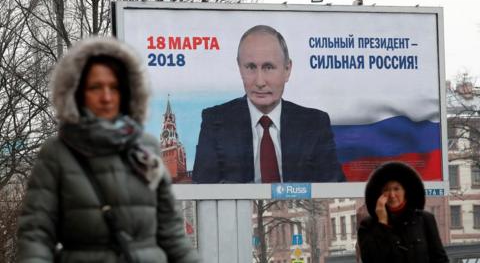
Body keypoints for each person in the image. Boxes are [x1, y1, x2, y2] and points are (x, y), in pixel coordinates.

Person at [17, 37, 199, 263]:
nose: (106, 96)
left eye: (114, 87)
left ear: (127, 93)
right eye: (95, 87)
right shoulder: (56, 153)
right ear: (77, 92)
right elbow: (36, 235)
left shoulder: (147, 147)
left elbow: (172, 233)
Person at [192, 25, 345, 183]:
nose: (259, 82)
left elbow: (334, 188)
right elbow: (203, 189)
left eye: (268, 67)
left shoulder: (314, 124)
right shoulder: (215, 121)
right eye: (251, 67)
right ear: (240, 69)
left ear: (287, 70)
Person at [357, 162, 449, 263]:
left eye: (396, 189)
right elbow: (371, 259)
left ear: (405, 191)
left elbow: (440, 259)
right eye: (386, 190)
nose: (392, 195)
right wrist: (382, 223)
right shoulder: (367, 226)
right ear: (380, 194)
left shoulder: (425, 219)